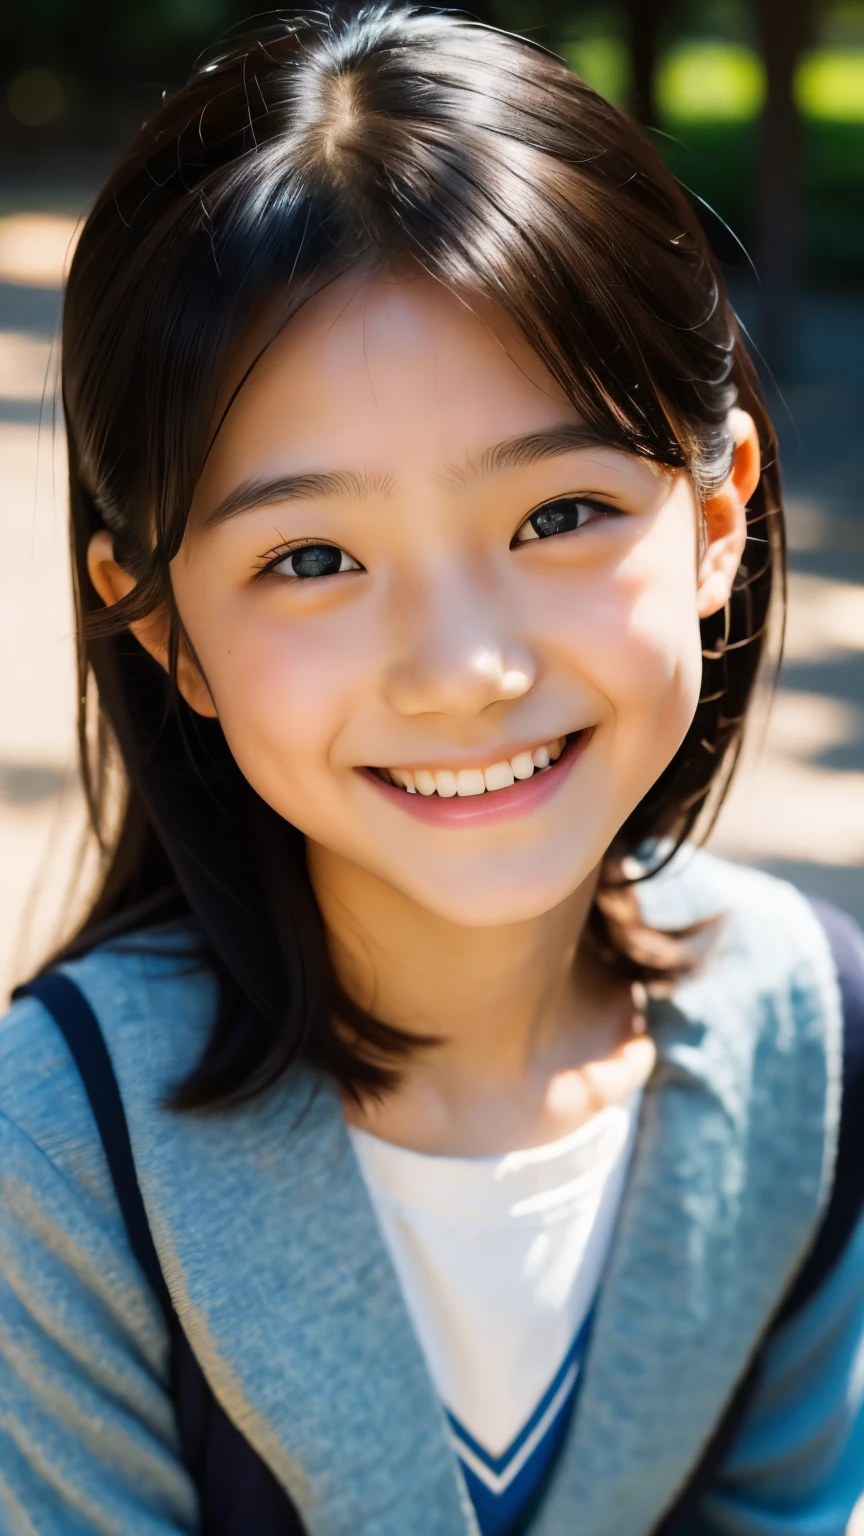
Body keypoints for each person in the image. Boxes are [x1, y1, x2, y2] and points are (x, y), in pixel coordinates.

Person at [1, 8, 863, 1534]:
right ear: (165, 628)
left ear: (717, 515)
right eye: (313, 556)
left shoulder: (808, 1039)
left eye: (558, 516)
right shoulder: (60, 1149)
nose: (464, 668)